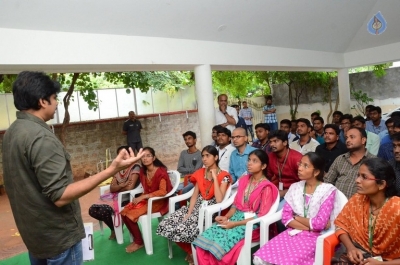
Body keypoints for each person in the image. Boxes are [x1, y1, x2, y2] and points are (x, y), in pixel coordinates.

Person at [2, 71, 144, 264]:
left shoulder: (13, 132)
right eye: (54, 98)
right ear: (42, 101)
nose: (57, 103)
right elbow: (61, 196)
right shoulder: (40, 137)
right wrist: (111, 170)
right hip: (58, 240)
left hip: (36, 238)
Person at [193, 149, 279, 265]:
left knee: (219, 246)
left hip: (252, 224)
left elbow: (261, 216)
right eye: (249, 160)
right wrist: (227, 217)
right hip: (234, 219)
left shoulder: (266, 187)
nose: (249, 163)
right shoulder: (244, 180)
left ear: (263, 166)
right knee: (204, 240)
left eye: (254, 161)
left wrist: (234, 224)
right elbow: (235, 204)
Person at [254, 152, 337, 265]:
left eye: (305, 166)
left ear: (316, 172)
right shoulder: (295, 187)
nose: (300, 168)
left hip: (315, 238)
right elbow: (286, 218)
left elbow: (320, 224)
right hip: (293, 232)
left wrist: (296, 217)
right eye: (300, 164)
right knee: (259, 258)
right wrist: (309, 226)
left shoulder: (328, 191)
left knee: (288, 262)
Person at [156, 146, 232, 265]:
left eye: (208, 156)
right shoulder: (200, 173)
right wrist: (189, 212)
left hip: (211, 210)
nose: (204, 159)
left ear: (216, 157)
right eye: (203, 156)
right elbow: (195, 195)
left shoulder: (225, 176)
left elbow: (219, 200)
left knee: (183, 227)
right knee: (166, 224)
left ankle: (193, 251)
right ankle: (191, 251)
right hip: (197, 206)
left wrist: (215, 177)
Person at [332, 158, 400, 264]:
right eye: (358, 175)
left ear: (381, 184)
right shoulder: (357, 200)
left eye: (364, 177)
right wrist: (350, 248)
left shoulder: (397, 208)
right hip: (360, 256)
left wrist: (382, 264)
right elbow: (340, 226)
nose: (357, 180)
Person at [120, 147, 173, 253]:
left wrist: (143, 197)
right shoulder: (143, 172)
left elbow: (163, 192)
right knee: (123, 212)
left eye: (148, 156)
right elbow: (147, 189)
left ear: (154, 158)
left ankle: (139, 242)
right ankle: (137, 239)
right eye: (143, 156)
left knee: (131, 216)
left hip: (159, 201)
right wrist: (143, 197)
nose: (145, 158)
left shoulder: (160, 172)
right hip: (149, 199)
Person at [89, 146, 141, 240]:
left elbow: (130, 187)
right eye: (121, 155)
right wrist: (122, 185)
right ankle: (115, 228)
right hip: (114, 195)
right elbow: (112, 188)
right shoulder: (118, 169)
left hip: (128, 196)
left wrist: (118, 187)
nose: (124, 157)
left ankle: (115, 230)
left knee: (103, 210)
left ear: (130, 154)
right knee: (93, 210)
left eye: (126, 154)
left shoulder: (136, 167)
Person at [324, 127, 376, 199]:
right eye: (346, 138)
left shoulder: (373, 161)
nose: (348, 140)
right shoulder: (340, 159)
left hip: (361, 206)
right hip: (337, 204)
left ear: (363, 140)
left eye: (352, 137)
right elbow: (327, 182)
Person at [267, 130, 302, 210]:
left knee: (277, 210)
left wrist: (284, 192)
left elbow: (305, 184)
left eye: (275, 141)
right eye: (270, 142)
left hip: (296, 193)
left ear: (285, 143)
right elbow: (268, 176)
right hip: (278, 191)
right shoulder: (271, 156)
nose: (272, 144)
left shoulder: (296, 158)